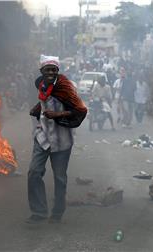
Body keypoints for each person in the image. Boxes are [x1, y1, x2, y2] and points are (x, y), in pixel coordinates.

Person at [27, 55, 87, 224]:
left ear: (58, 71)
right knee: (34, 172)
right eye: (48, 69)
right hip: (43, 137)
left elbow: (80, 110)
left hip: (62, 140)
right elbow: (45, 103)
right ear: (42, 72)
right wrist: (37, 109)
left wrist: (58, 114)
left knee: (60, 178)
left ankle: (58, 212)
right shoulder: (41, 87)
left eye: (54, 69)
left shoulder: (67, 88)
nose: (51, 72)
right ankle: (38, 211)